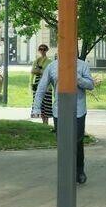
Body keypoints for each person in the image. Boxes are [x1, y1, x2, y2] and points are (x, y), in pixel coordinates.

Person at [31, 50, 94, 183]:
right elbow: (41, 87)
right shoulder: (52, 66)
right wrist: (36, 107)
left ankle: (79, 170)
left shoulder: (82, 65)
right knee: (62, 142)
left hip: (78, 110)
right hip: (59, 111)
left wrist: (78, 79)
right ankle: (65, 171)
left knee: (77, 141)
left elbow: (90, 85)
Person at [31, 44, 51, 121]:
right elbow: (33, 71)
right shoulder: (36, 61)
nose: (42, 51)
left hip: (46, 84)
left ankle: (46, 121)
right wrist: (40, 71)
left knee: (46, 103)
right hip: (37, 83)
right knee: (39, 103)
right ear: (39, 50)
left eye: (44, 49)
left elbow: (48, 72)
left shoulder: (49, 61)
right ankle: (42, 120)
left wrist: (39, 71)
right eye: (41, 49)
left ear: (47, 50)